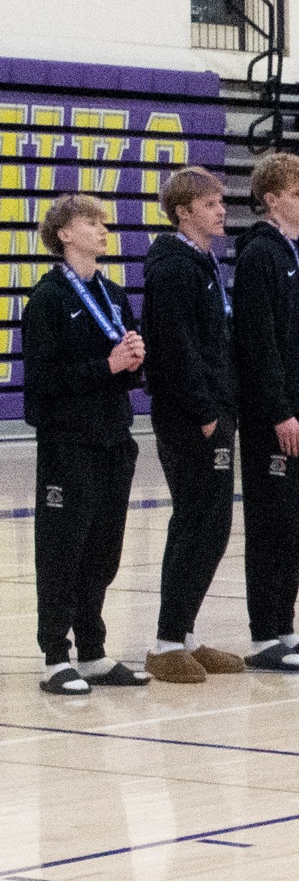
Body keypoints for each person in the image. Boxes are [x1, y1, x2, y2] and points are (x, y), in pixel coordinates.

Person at [25, 195, 150, 695]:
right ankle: (56, 656)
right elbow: (41, 385)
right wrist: (108, 366)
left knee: (103, 550)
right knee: (62, 549)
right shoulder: (49, 299)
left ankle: (93, 650)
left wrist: (136, 362)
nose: (102, 230)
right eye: (90, 223)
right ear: (64, 234)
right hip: (67, 443)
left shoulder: (114, 294)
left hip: (112, 439)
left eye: (103, 222)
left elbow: (121, 374)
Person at [232, 152, 299, 672]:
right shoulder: (260, 255)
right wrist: (278, 409)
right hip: (272, 414)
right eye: (298, 193)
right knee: (272, 522)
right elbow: (258, 342)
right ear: (272, 199)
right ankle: (262, 635)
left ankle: (286, 626)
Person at [141, 167, 245, 684]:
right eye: (210, 204)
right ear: (183, 212)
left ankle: (183, 635)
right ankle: (164, 643)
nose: (222, 210)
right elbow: (176, 348)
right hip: (190, 418)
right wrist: (206, 412)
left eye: (221, 202)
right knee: (196, 523)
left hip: (216, 411)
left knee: (213, 527)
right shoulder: (174, 269)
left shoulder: (204, 262)